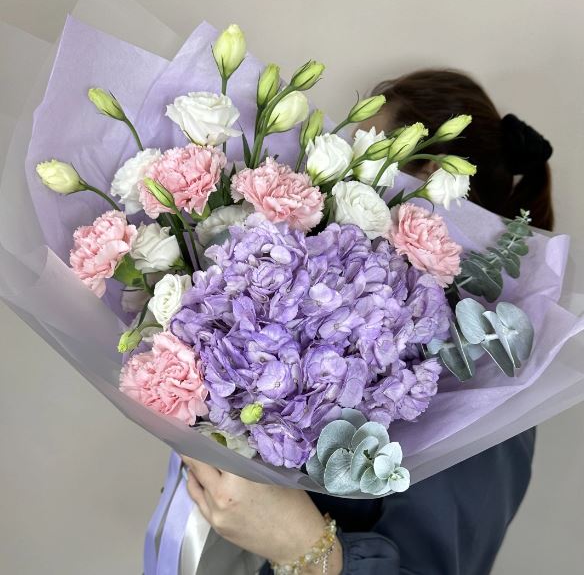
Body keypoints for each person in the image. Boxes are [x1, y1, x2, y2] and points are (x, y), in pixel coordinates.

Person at [181, 69, 554, 575]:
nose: (331, 180)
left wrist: (303, 547)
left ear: (428, 184)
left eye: (363, 158)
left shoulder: (482, 379)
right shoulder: (308, 292)